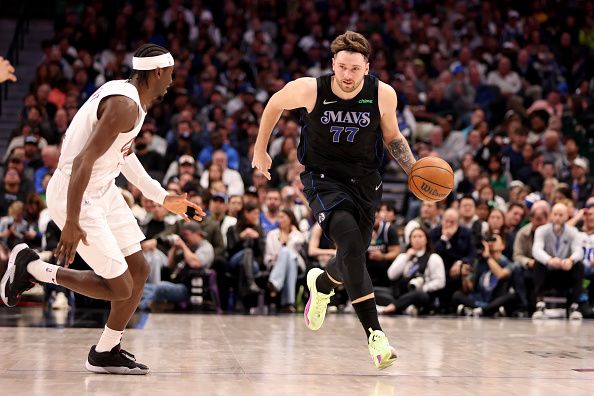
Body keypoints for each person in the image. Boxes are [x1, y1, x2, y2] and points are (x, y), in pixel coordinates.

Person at [0, 44, 205, 375]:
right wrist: (71, 220)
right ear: (156, 72)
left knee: (138, 271)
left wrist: (165, 197)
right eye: (170, 73)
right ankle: (34, 269)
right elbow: (82, 161)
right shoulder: (124, 106)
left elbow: (123, 155)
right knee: (120, 286)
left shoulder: (130, 98)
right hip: (76, 193)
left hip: (103, 190)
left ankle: (106, 351)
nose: (172, 80)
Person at [252, 31, 416, 369]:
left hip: (366, 182)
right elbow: (274, 104)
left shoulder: (383, 94)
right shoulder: (311, 89)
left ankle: (322, 283)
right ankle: (376, 335)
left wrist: (414, 170)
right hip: (323, 180)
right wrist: (260, 149)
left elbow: (393, 137)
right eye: (342, 67)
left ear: (367, 69)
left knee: (352, 254)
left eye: (355, 69)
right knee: (351, 244)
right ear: (333, 64)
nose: (347, 75)